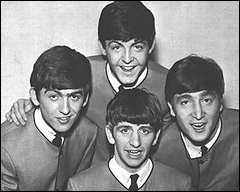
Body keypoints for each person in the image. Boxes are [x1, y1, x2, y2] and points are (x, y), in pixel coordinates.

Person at [4, 1, 171, 165]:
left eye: (137, 47)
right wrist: (31, 106)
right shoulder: (82, 72)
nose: (127, 59)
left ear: (151, 46)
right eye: (116, 47)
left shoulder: (168, 85)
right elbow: (51, 91)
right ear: (102, 47)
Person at [1, 45, 98, 191]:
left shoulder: (88, 133)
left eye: (74, 96)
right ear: (35, 96)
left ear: (86, 98)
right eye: (54, 96)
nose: (65, 110)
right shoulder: (6, 147)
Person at [66, 88, 194, 191]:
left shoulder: (180, 185)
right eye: (125, 131)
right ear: (110, 134)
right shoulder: (80, 186)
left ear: (155, 136)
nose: (135, 142)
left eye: (145, 131)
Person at [152, 54, 239, 191]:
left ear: (220, 103)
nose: (198, 114)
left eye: (206, 101)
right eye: (185, 102)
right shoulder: (155, 147)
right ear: (171, 108)